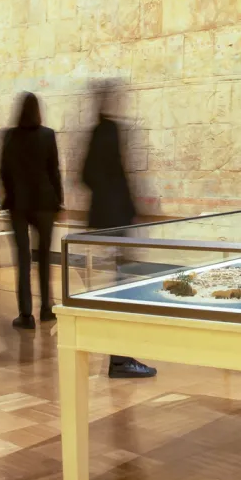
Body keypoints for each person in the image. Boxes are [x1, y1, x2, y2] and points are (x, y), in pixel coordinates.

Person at [82, 81, 157, 379]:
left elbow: (87, 174)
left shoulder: (98, 131)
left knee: (117, 286)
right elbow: (113, 174)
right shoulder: (109, 131)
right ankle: (120, 358)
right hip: (116, 217)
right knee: (121, 288)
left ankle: (119, 355)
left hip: (107, 216)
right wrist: (124, 205)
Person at [0, 93, 63, 330]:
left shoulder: (9, 136)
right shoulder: (47, 135)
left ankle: (26, 314)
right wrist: (59, 201)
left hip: (19, 204)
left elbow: (3, 170)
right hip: (44, 202)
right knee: (44, 257)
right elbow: (54, 170)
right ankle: (47, 307)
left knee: (23, 260)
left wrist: (9, 194)